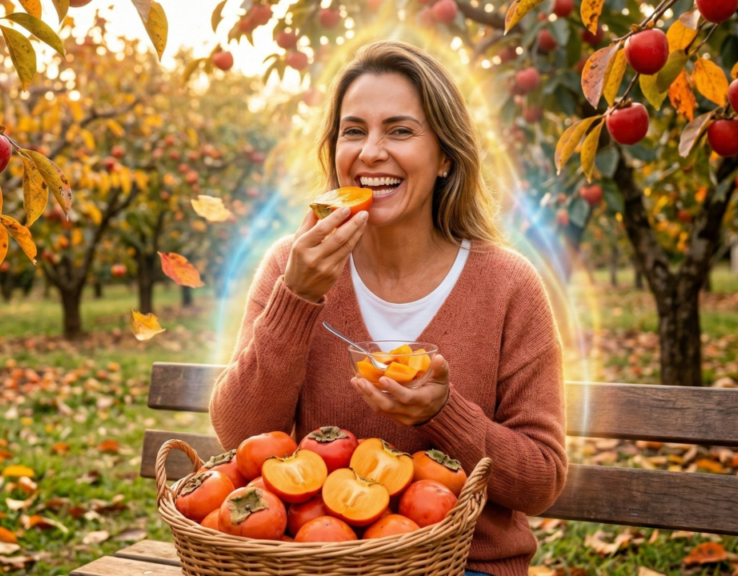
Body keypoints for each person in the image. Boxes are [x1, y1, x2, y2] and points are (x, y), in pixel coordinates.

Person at [209, 41, 567, 576]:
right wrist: (297, 298)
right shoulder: (291, 265)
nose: (371, 152)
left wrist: (442, 415)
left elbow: (539, 481)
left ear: (446, 156)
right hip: (321, 564)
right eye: (354, 131)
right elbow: (240, 436)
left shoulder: (507, 285)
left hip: (466, 566)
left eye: (399, 131)